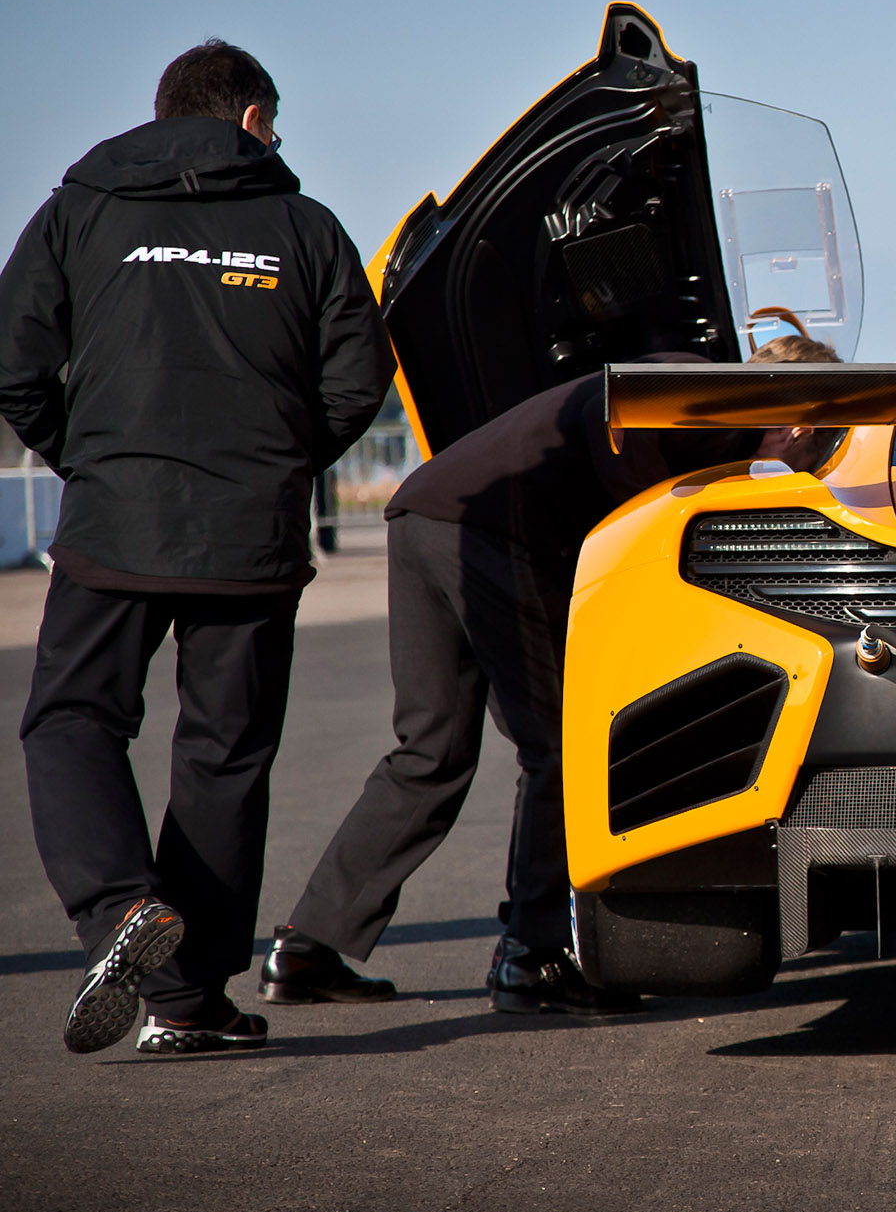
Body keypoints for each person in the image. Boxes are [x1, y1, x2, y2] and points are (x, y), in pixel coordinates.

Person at [0, 41, 393, 1056]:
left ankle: (121, 906)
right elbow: (359, 376)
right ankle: (186, 1000)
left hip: (114, 527)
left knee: (74, 720)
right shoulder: (305, 227)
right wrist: (275, 465)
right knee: (224, 755)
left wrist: (94, 460)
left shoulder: (80, 208)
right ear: (252, 119)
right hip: (249, 541)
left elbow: (14, 363)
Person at [257, 333, 836, 1018]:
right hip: (492, 533)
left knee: (430, 750)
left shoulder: (709, 408)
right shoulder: (697, 387)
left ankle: (307, 946)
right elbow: (612, 411)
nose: (809, 468)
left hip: (427, 514)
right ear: (800, 419)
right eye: (818, 450)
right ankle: (533, 957)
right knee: (560, 747)